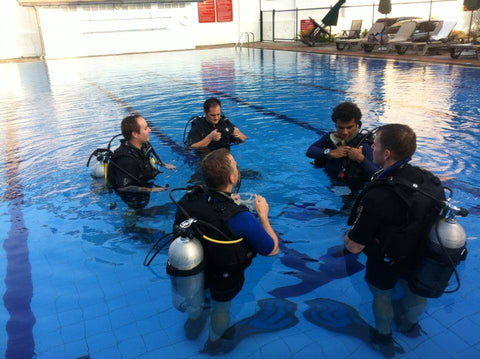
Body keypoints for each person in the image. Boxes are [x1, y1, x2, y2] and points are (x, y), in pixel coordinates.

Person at [344, 124, 445, 356]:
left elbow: (354, 245)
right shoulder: (431, 182)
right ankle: (410, 326)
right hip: (421, 258)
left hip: (386, 261)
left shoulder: (379, 194)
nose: (371, 147)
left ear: (386, 153)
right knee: (415, 294)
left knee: (382, 296)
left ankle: (383, 337)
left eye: (375, 144)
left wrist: (347, 237)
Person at [173, 148, 278, 352]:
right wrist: (263, 215)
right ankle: (214, 343)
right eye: (235, 166)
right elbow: (271, 249)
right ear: (232, 177)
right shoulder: (240, 217)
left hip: (194, 267)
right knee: (220, 308)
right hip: (224, 274)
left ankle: (194, 323)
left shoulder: (187, 199)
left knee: (197, 296)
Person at [306, 102, 379, 189]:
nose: (345, 132)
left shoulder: (363, 146)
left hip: (353, 188)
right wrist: (330, 152)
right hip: (331, 182)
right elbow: (310, 151)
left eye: (349, 127)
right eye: (341, 128)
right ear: (335, 125)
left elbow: (379, 176)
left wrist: (360, 159)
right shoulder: (330, 138)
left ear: (357, 124)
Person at [108, 114, 175, 207]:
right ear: (135, 134)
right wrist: (150, 190)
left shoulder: (143, 144)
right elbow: (123, 188)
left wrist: (162, 164)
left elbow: (148, 158)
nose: (150, 130)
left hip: (144, 181)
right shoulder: (126, 160)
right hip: (133, 196)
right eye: (145, 128)